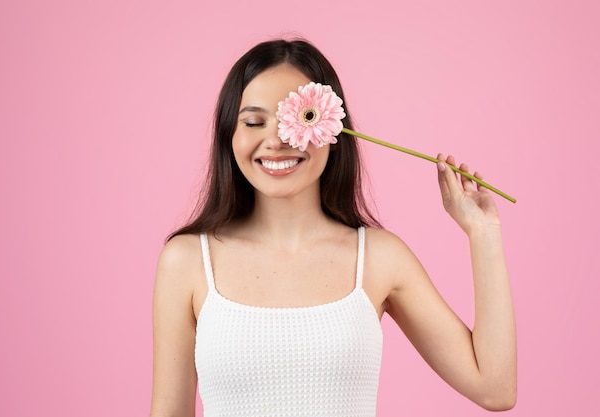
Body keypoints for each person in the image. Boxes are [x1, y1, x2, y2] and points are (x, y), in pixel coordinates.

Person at [149, 38, 517, 417]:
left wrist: (484, 234)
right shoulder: (186, 262)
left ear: (334, 133)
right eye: (255, 122)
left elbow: (494, 388)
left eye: (300, 119)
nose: (276, 140)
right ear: (230, 136)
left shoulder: (380, 258)